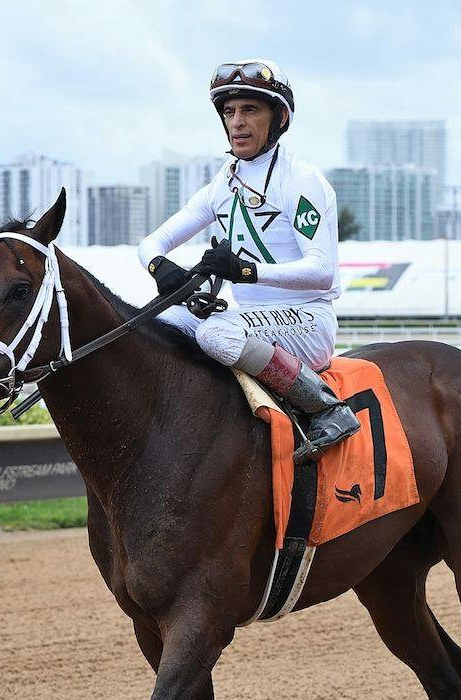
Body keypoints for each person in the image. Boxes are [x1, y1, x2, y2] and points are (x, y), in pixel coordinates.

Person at [137, 59, 359, 461]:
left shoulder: (302, 179)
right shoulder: (223, 182)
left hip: (308, 319)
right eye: (229, 112)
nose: (237, 122)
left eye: (250, 110)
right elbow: (154, 241)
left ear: (280, 117)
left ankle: (327, 407)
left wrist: (246, 271)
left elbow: (323, 271)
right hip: (253, 319)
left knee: (214, 335)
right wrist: (161, 268)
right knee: (150, 324)